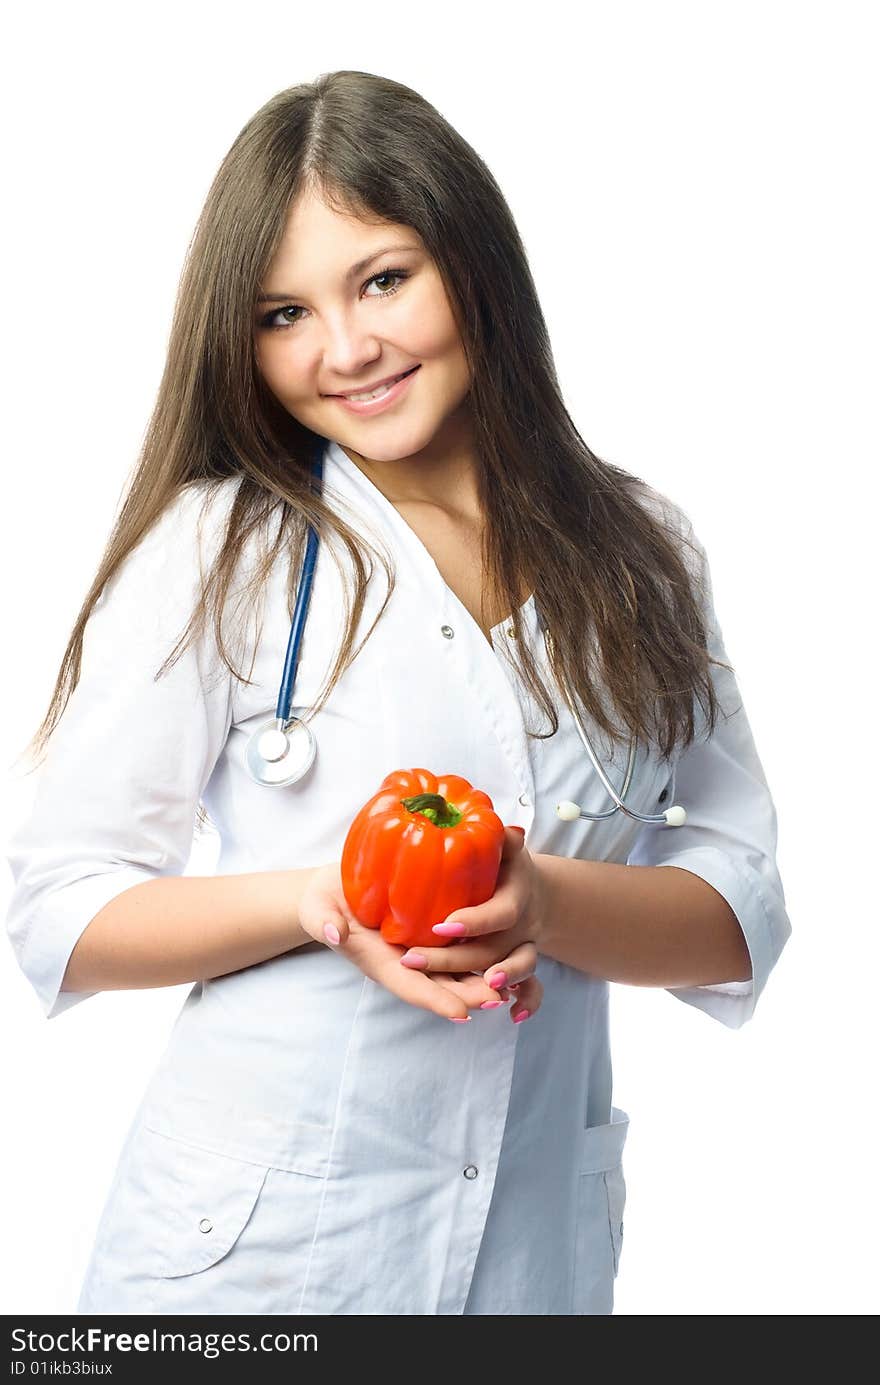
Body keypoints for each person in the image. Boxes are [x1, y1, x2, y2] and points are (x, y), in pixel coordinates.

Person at [3, 70, 791, 1317]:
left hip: (531, 1251)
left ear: (471, 264)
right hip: (254, 1258)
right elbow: (59, 912)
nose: (344, 348)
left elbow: (739, 914)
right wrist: (319, 902)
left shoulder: (642, 546)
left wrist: (547, 899)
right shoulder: (221, 549)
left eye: (381, 279)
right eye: (282, 313)